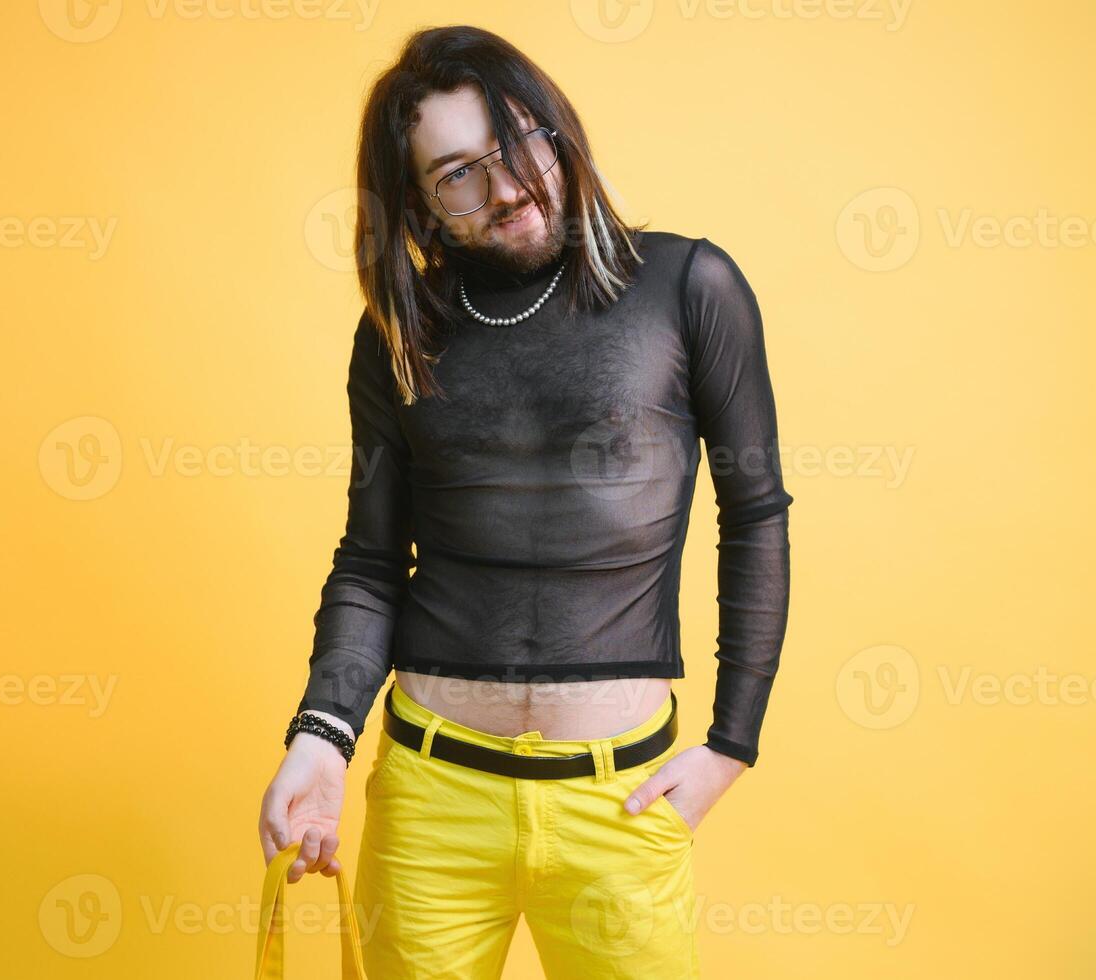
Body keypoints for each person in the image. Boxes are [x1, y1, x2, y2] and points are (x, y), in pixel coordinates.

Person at [258, 24, 792, 978]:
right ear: (417, 205)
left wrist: (731, 746)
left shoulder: (686, 285)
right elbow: (372, 561)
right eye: (457, 172)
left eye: (518, 144)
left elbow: (753, 514)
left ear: (556, 131)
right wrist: (320, 739)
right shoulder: (398, 333)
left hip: (618, 802)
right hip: (430, 803)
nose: (506, 188)